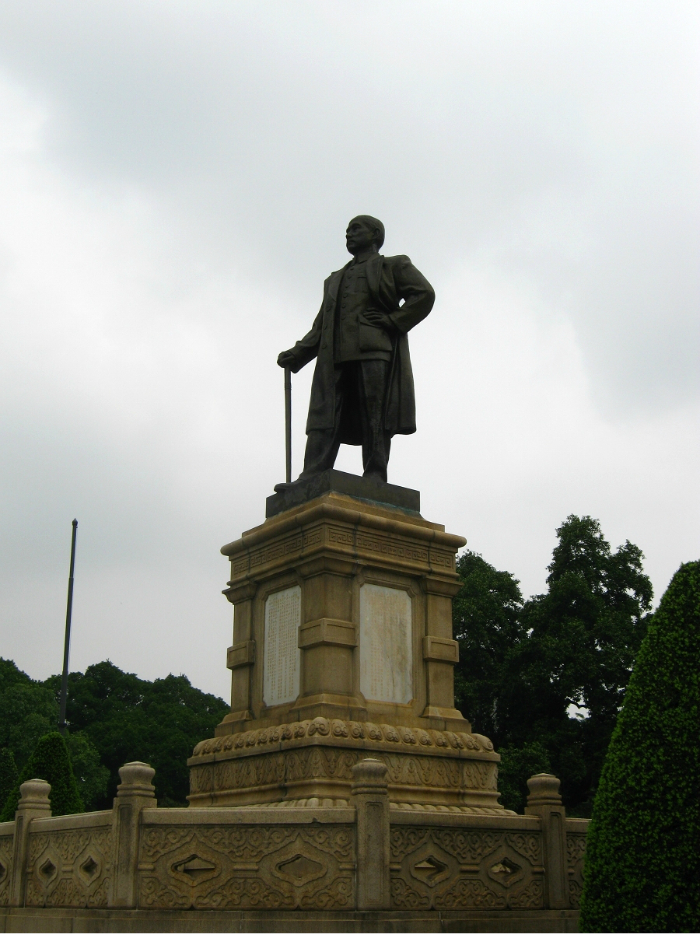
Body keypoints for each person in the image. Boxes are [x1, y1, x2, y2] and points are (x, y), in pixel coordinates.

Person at [276, 215, 434, 485]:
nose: (348, 234)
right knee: (324, 415)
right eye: (347, 230)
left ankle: (375, 473)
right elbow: (321, 326)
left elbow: (424, 294)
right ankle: (312, 473)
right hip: (334, 357)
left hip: (374, 351)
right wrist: (298, 353)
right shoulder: (334, 280)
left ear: (375, 234)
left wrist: (393, 321)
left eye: (355, 229)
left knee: (375, 415)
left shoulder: (393, 265)